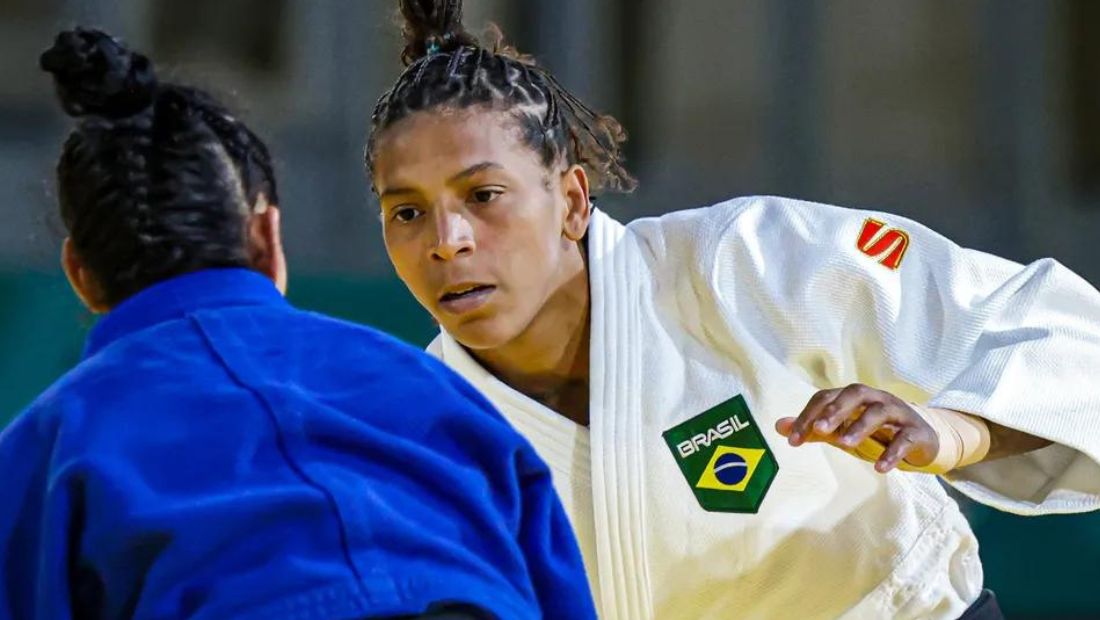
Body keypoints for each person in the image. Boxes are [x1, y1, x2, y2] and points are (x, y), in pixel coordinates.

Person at [365, 1, 1100, 618]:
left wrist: (949, 431)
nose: (447, 242)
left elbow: (1059, 329)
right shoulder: (426, 438)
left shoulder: (744, 261)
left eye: (483, 196)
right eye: (406, 213)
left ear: (573, 201)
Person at [0, 28, 598, 620]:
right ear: (267, 239)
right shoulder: (440, 393)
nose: (449, 242)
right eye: (410, 211)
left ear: (79, 273)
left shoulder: (44, 453)